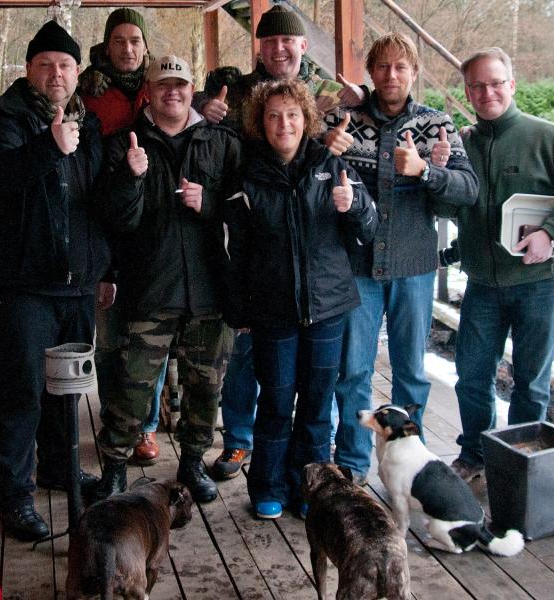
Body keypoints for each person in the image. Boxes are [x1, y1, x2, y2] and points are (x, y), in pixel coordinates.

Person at [196, 4, 360, 481]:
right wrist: (204, 106)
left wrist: (357, 104)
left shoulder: (324, 91)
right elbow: (202, 109)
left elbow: (365, 105)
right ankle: (239, 442)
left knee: (311, 385)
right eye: (270, 41)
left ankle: (311, 468)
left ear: (302, 46)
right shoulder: (234, 87)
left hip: (312, 261)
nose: (279, 48)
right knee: (249, 363)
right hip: (254, 230)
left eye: (287, 40)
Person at [0, 21, 110, 542]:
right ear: (29, 69)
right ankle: (13, 495)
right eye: (46, 64)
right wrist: (49, 146)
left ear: (77, 72)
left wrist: (107, 269)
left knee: (64, 389)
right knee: (21, 388)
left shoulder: (87, 125)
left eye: (66, 65)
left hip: (77, 283)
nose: (56, 74)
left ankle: (58, 467)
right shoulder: (2, 120)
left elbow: (96, 204)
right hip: (20, 284)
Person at [323, 32, 478, 485]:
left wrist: (427, 170)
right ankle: (353, 463)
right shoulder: (344, 121)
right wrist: (324, 147)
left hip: (413, 267)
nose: (391, 75)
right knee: (353, 370)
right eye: (383, 66)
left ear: (414, 72)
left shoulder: (436, 124)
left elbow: (468, 189)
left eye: (401, 67)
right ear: (371, 72)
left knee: (411, 371)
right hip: (357, 266)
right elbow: (310, 172)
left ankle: (413, 463)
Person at [90, 55, 241, 504]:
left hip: (210, 292)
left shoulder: (222, 142)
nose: (172, 92)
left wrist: (210, 203)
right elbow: (114, 219)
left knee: (206, 388)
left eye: (180, 84)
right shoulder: (124, 145)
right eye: (162, 85)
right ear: (149, 92)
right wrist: (130, 176)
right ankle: (115, 467)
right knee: (132, 388)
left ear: (192, 89)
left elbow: (247, 209)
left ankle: (192, 462)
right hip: (150, 289)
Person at [225, 79, 377, 519]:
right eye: (273, 115)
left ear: (306, 118)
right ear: (261, 122)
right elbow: (232, 251)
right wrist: (238, 309)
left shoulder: (331, 165)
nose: (284, 124)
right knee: (275, 401)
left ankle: (309, 487)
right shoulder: (247, 176)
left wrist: (353, 206)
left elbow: (369, 228)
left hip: (327, 308)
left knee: (316, 403)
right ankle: (268, 486)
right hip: (272, 311)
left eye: (292, 114)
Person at [443, 47, 554, 481]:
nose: (488, 92)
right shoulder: (460, 144)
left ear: (512, 85)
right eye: (477, 86)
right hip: (482, 284)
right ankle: (475, 454)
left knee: (530, 382)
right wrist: (437, 172)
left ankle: (518, 464)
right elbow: (446, 207)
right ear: (468, 92)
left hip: (541, 282)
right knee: (471, 376)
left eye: (496, 83)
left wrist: (553, 233)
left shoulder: (549, 138)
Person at [78, 8, 164, 465]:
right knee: (110, 339)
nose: (128, 49)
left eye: (135, 40)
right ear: (107, 45)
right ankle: (115, 418)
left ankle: (146, 426)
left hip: (152, 227)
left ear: (145, 46)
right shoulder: (89, 91)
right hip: (103, 223)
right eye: (119, 40)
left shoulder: (160, 84)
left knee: (151, 337)